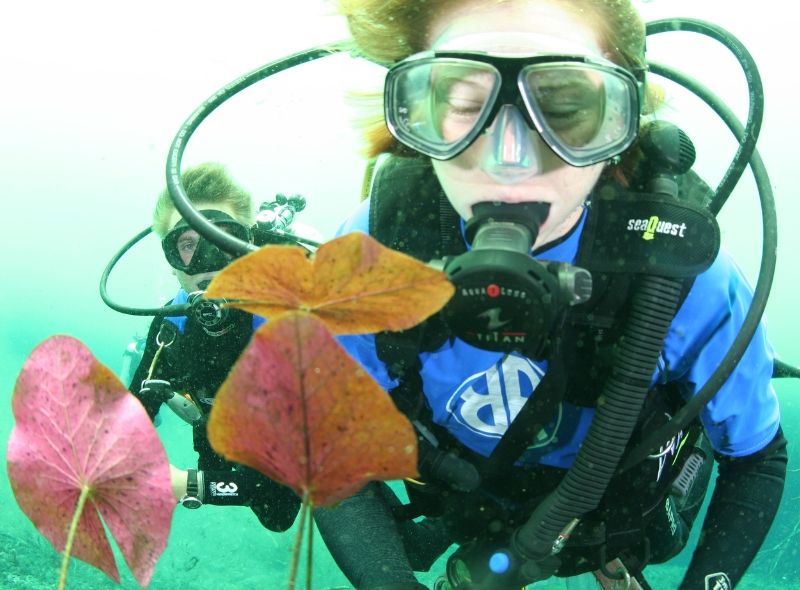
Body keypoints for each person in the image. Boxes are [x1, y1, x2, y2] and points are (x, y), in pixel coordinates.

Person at [312, 1, 787, 589]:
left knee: (649, 536)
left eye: (563, 108)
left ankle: (611, 563)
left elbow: (757, 457)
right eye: (464, 105)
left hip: (613, 513)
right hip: (472, 504)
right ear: (416, 117)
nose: (510, 160)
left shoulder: (681, 271)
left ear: (622, 123)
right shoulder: (367, 261)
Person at [129, 162, 300, 531]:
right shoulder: (169, 329)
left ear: (246, 245)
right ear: (172, 261)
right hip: (218, 438)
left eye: (220, 237)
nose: (206, 261)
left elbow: (287, 493)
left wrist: (188, 486)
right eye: (188, 243)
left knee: (276, 517)